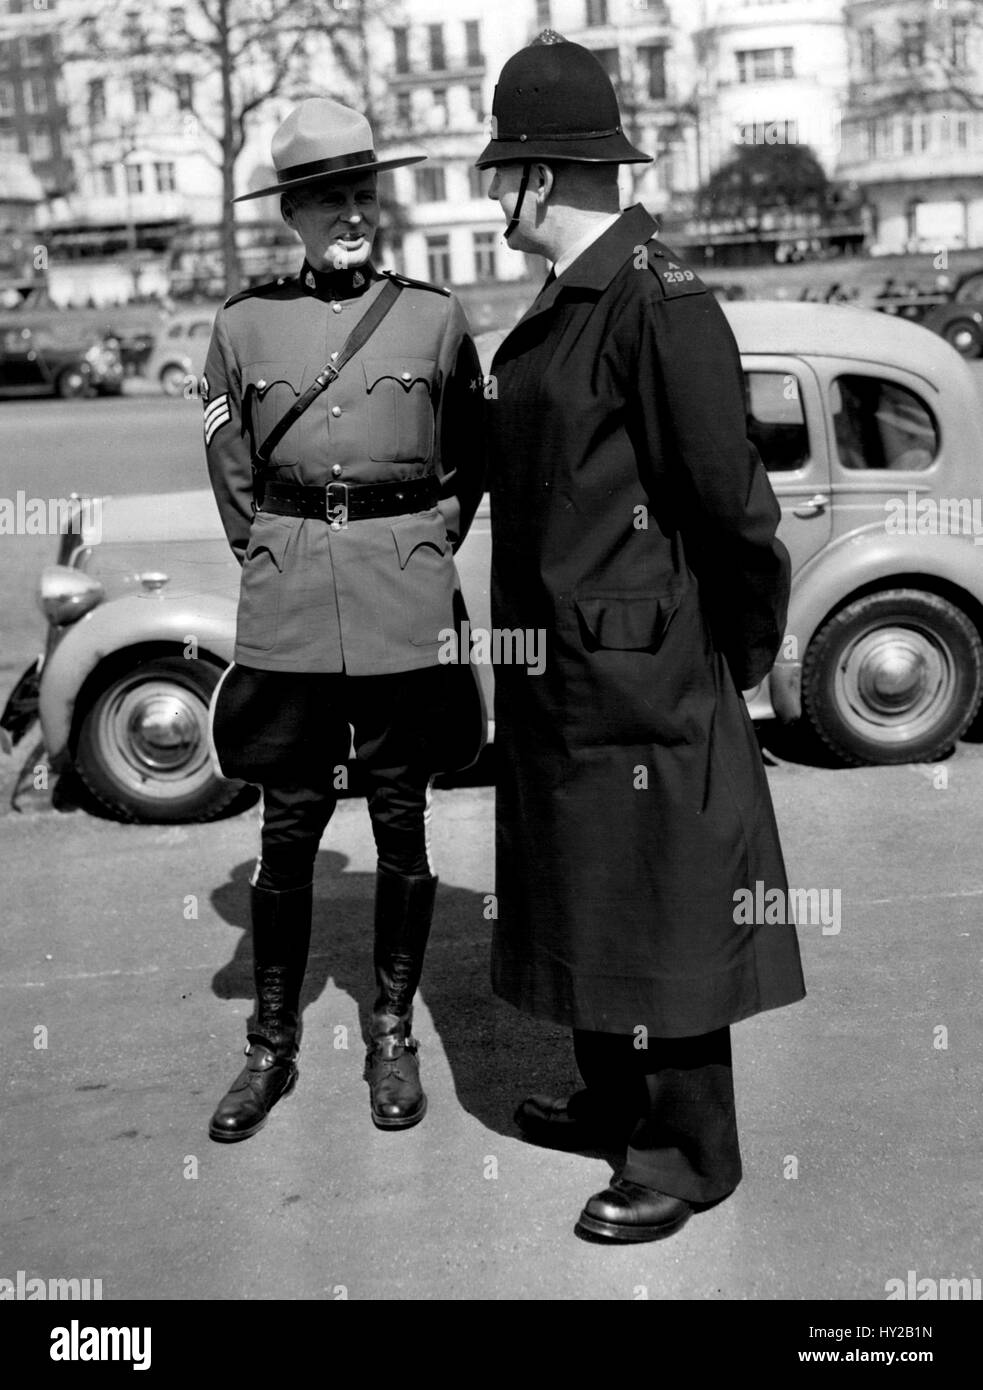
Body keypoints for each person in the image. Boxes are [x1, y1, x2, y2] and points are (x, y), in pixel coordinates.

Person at [475, 32, 806, 1243]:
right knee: (586, 896)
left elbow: (732, 510)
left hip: (649, 680)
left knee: (660, 902)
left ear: (536, 176)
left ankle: (686, 1153)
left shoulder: (657, 303)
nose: (488, 195)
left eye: (495, 172)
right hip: (566, 679)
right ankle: (613, 1105)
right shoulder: (571, 301)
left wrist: (735, 661)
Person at [203, 97, 485, 1143]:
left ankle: (391, 1033)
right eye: (329, 199)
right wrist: (282, 550)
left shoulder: (435, 317)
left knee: (403, 815)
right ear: (293, 214)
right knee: (287, 825)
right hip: (289, 601)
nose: (352, 215)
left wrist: (418, 538)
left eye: (363, 194)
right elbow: (233, 471)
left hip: (401, 592)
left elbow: (469, 454)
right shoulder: (242, 324)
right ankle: (269, 1049)